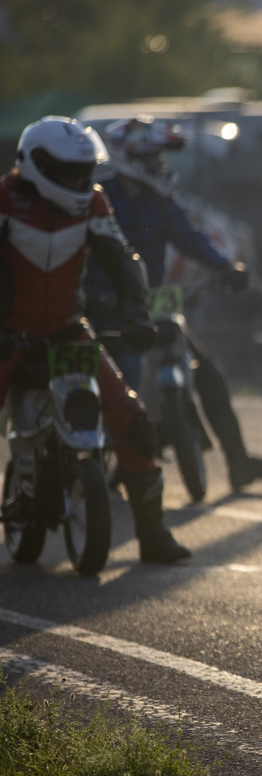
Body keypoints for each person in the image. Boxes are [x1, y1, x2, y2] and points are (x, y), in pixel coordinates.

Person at [2, 116, 188, 563]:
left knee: (133, 418)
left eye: (84, 172)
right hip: (7, 334)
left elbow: (123, 260)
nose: (78, 182)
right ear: (35, 164)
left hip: (68, 331)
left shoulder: (94, 203)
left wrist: (138, 317)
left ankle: (153, 535)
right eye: (68, 172)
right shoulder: (3, 200)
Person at [88, 116, 262, 493]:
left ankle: (238, 460)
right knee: (119, 387)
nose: (160, 165)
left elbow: (190, 238)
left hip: (148, 305)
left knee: (208, 373)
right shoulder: (99, 199)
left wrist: (225, 267)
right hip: (103, 313)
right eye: (153, 157)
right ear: (129, 158)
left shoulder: (159, 201)